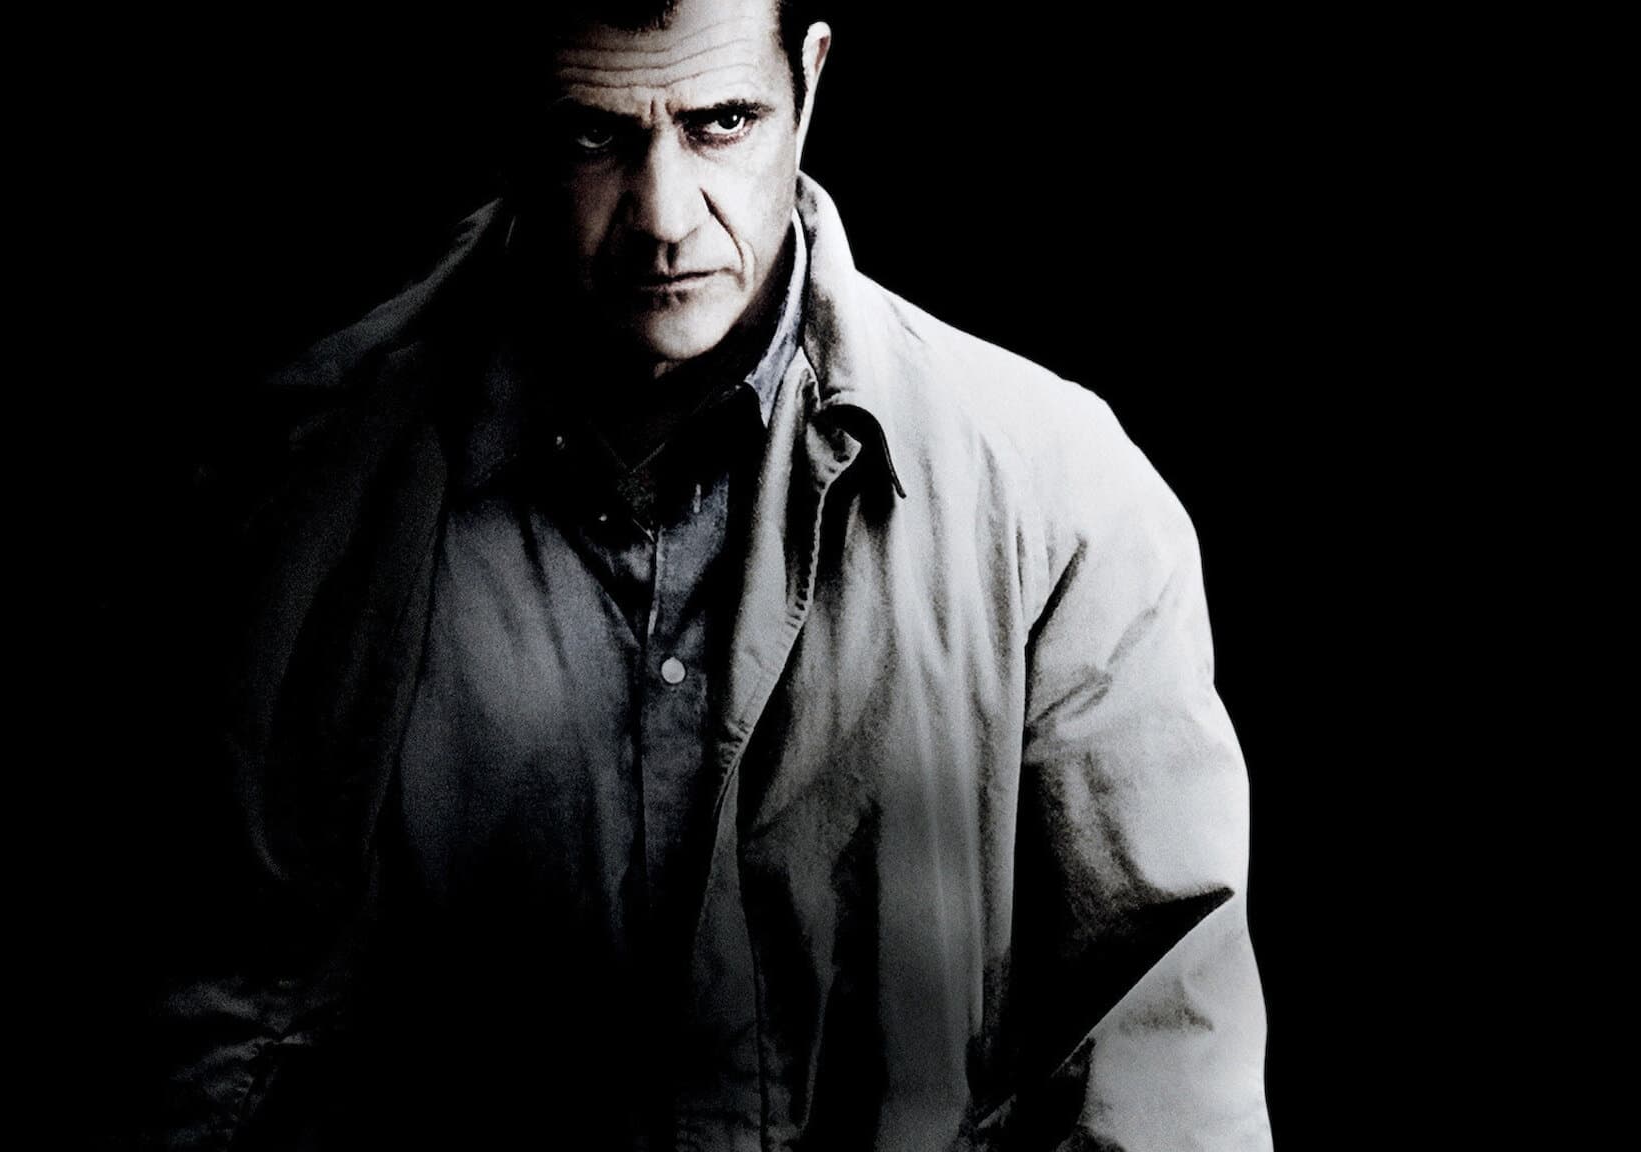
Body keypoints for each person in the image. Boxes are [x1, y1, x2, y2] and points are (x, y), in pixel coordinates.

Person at [145, 1, 1271, 1148]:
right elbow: (177, 1017)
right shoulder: (278, 481)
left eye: (720, 122)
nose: (663, 220)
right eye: (594, 135)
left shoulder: (1053, 491)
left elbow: (1158, 1065)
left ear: (808, 84)